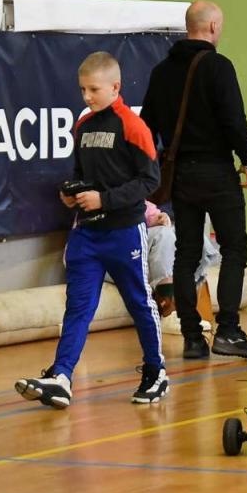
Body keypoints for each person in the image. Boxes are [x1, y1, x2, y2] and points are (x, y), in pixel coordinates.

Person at [17, 52, 167, 409]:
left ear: (115, 87)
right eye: (83, 89)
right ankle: (61, 376)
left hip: (124, 231)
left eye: (94, 89)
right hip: (86, 234)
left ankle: (155, 371)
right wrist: (72, 194)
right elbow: (82, 172)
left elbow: (150, 179)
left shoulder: (133, 126)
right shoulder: (83, 125)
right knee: (78, 307)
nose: (87, 97)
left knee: (139, 302)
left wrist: (106, 199)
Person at [142, 0, 247, 360]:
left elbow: (147, 124)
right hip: (215, 169)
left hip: (180, 173)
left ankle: (192, 338)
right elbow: (233, 118)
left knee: (186, 253)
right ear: (212, 27)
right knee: (234, 248)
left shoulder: (161, 71)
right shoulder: (218, 66)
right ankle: (228, 330)